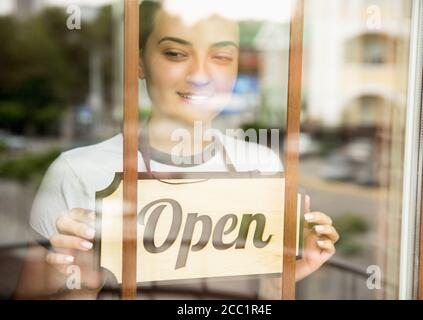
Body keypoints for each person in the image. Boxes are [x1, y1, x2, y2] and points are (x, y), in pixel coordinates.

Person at [14, 0, 339, 299]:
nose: (199, 75)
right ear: (140, 61)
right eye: (175, 53)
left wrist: (283, 279)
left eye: (221, 57)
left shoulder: (262, 164)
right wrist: (79, 288)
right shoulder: (76, 172)